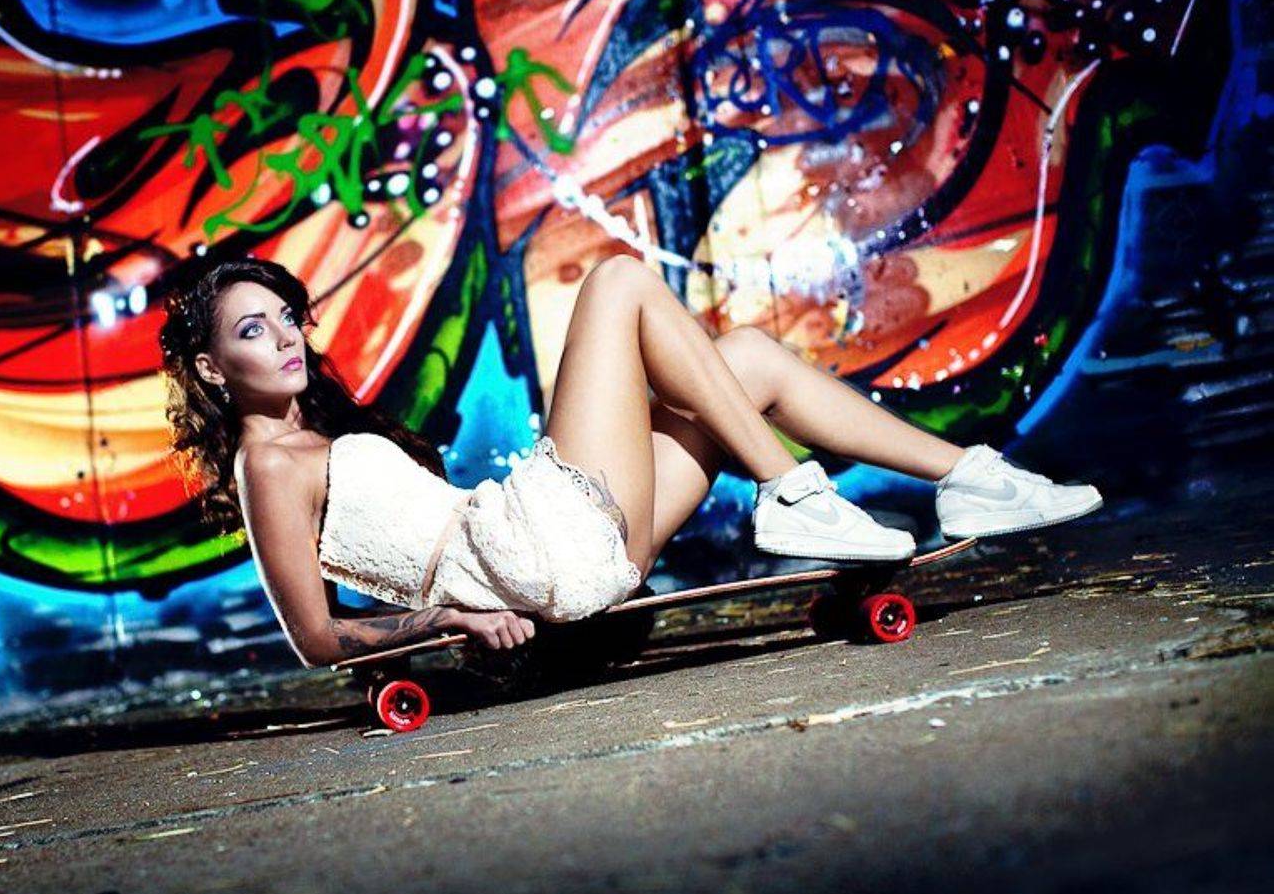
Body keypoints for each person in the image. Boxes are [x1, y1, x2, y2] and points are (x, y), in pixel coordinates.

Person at [157, 256, 1102, 667]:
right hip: (532, 556)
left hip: (556, 557)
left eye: (286, 317)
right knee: (618, 281)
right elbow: (315, 639)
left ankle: (972, 482)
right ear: (209, 368)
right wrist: (449, 619)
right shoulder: (268, 465)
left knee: (749, 359)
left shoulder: (314, 436)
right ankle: (788, 489)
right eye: (252, 330)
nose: (286, 336)